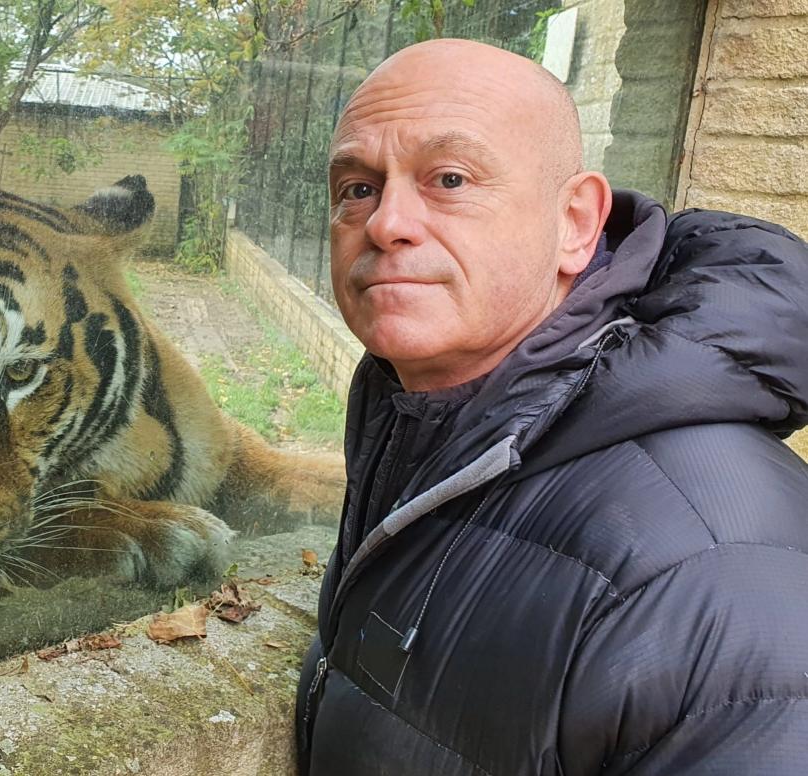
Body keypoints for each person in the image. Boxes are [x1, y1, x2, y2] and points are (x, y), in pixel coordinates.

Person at [296, 38, 808, 775]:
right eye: (357, 187)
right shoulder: (427, 415)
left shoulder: (721, 574)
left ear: (574, 223)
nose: (385, 224)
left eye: (449, 178)